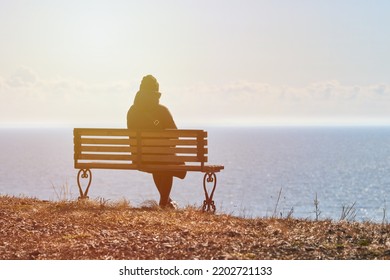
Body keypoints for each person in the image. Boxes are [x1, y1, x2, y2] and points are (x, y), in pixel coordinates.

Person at [127, 75, 185, 209]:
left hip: (140, 157)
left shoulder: (132, 111)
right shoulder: (162, 111)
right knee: (164, 162)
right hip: (162, 157)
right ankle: (165, 203)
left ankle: (166, 200)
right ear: (156, 93)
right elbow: (175, 135)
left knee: (158, 163)